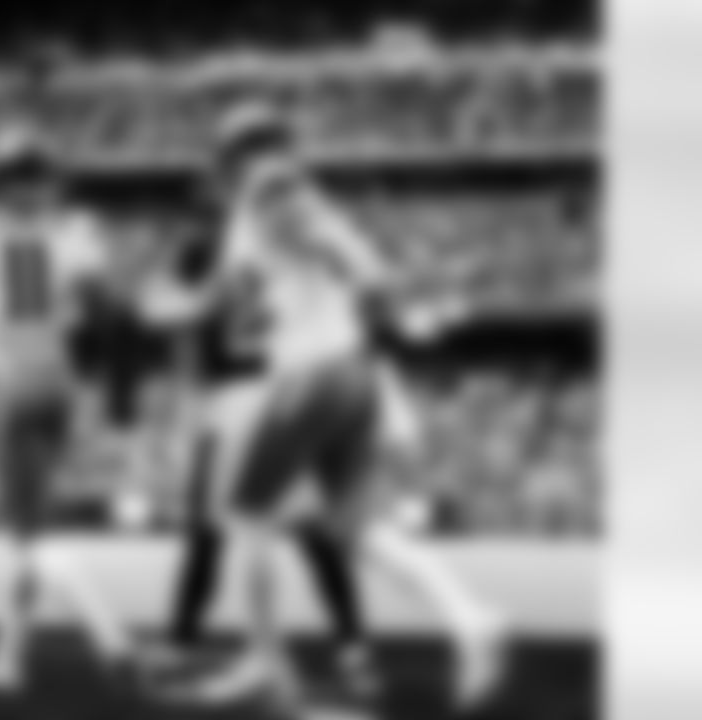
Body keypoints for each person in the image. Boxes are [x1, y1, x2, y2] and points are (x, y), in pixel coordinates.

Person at [142, 105, 509, 710]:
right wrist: (178, 307)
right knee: (355, 531)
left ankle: (268, 665)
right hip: (346, 374)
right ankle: (469, 617)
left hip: (312, 375)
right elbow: (236, 297)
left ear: (240, 155)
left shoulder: (273, 188)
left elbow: (359, 264)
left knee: (246, 519)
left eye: (232, 158)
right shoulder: (262, 207)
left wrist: (382, 297)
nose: (232, 170)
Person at [0, 128, 134, 692]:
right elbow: (109, 313)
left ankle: (103, 634)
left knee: (28, 537)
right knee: (32, 523)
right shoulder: (77, 231)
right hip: (59, 382)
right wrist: (107, 389)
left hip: (11, 378)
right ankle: (11, 649)